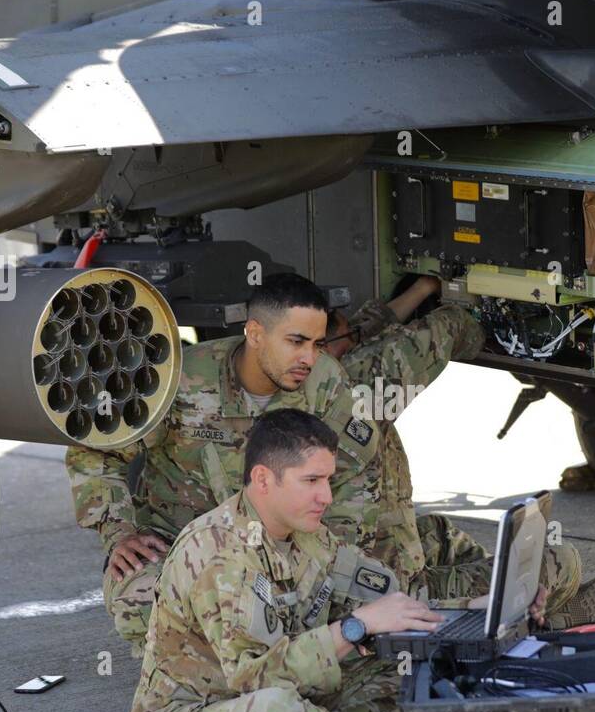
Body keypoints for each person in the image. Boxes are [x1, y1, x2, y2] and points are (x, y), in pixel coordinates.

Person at [128, 409, 550, 712]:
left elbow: (388, 600)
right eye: (312, 481)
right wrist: (354, 628)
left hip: (294, 688)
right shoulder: (219, 555)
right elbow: (254, 679)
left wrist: (474, 607)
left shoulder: (305, 532)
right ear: (263, 479)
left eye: (328, 480)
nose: (326, 496)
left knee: (404, 673)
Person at [65, 273, 382, 651]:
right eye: (296, 342)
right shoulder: (179, 381)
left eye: (317, 343)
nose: (309, 358)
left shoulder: (324, 383)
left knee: (364, 605)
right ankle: (197, 675)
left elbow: (356, 473)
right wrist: (119, 532)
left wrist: (332, 558)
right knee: (139, 600)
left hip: (285, 546)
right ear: (255, 333)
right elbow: (99, 452)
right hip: (183, 545)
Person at [326, 276, 595, 629]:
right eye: (349, 338)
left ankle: (515, 602)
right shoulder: (353, 391)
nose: (358, 340)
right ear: (321, 349)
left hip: (381, 553)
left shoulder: (309, 379)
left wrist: (426, 287)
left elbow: (362, 331)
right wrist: (485, 307)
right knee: (561, 562)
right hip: (391, 590)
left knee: (437, 533)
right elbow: (448, 329)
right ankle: (526, 619)